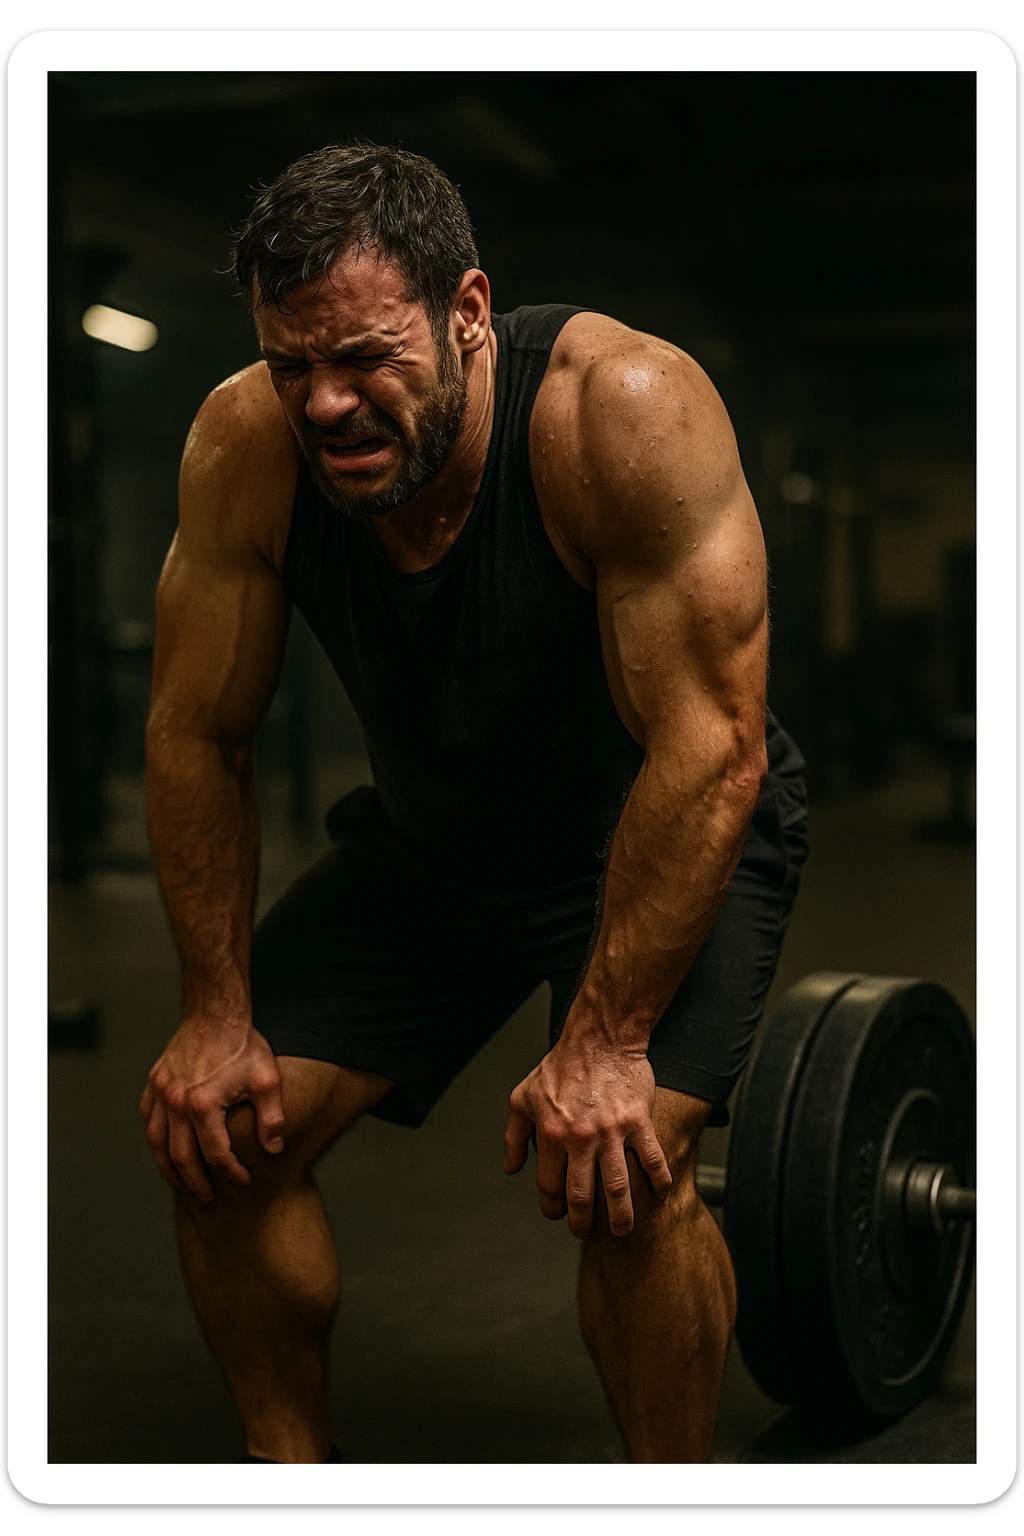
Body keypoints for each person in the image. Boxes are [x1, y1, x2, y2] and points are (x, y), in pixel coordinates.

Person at [139, 142, 809, 1465]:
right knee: (218, 1138)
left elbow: (710, 747)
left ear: (467, 313)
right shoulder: (245, 443)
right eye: (293, 364)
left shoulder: (619, 410)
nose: (325, 403)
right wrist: (215, 1017)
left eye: (367, 356)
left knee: (626, 1179)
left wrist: (611, 1041)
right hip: (436, 844)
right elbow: (194, 736)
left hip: (657, 834)